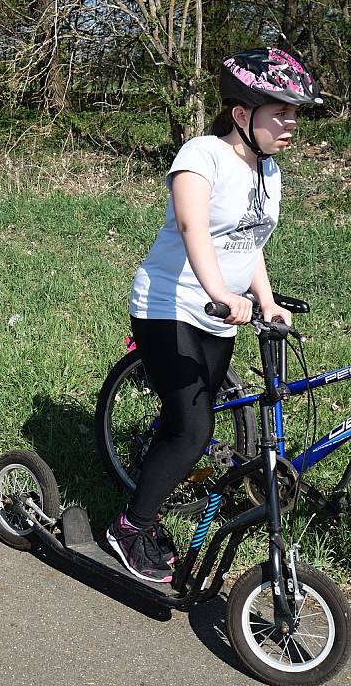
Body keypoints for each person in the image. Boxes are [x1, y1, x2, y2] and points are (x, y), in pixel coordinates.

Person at [106, 48, 322, 582]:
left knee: (189, 419)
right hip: (168, 306)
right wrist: (220, 292)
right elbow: (192, 228)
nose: (291, 123)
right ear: (243, 114)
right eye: (281, 112)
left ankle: (158, 484)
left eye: (295, 114)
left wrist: (265, 300)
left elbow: (251, 243)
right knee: (193, 426)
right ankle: (130, 526)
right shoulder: (201, 155)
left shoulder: (268, 171)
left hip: (218, 314)